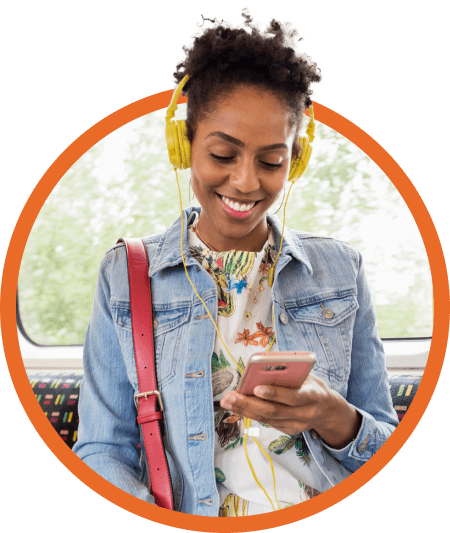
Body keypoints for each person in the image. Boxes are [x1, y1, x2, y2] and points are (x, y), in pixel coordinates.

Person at [72, 7, 399, 516]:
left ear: (298, 158)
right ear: (184, 147)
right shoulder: (125, 275)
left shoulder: (342, 271)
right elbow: (101, 451)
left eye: (272, 161)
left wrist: (334, 416)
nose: (247, 183)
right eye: (223, 155)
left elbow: (384, 445)